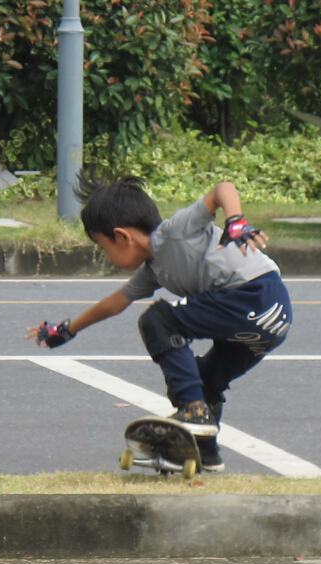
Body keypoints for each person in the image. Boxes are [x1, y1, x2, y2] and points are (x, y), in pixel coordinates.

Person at [28, 174, 292, 472]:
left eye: (103, 248)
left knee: (159, 321)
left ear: (122, 236)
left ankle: (193, 412)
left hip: (256, 295)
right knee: (203, 380)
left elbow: (223, 189)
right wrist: (67, 330)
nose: (106, 257)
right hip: (272, 321)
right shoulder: (153, 270)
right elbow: (115, 303)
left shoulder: (177, 231)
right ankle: (205, 454)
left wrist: (237, 221)